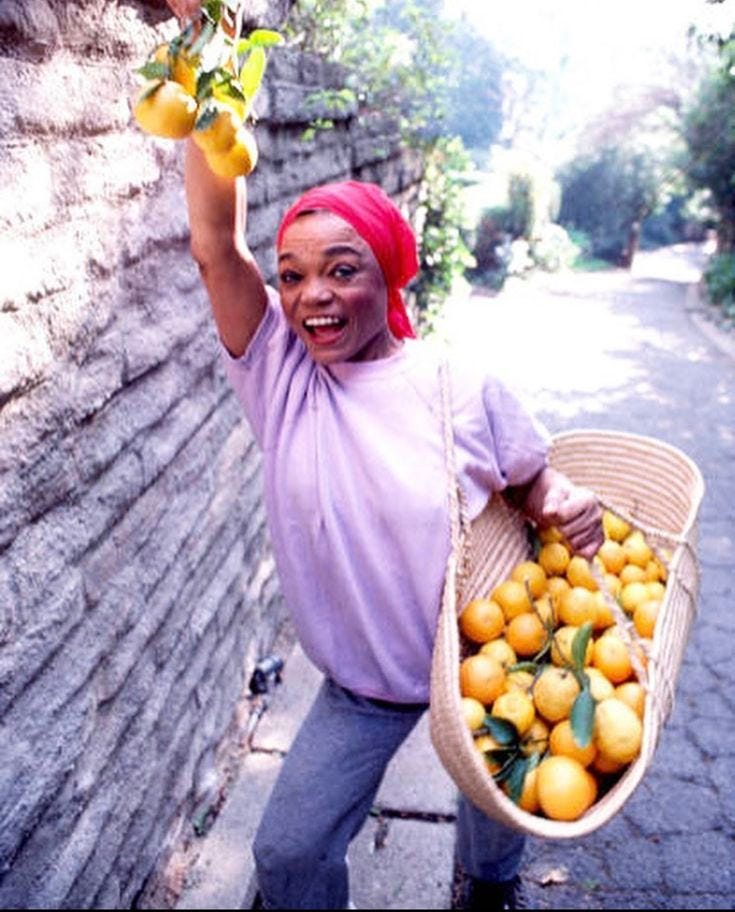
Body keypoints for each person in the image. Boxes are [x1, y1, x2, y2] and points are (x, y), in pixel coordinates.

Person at [165, 5, 603, 909]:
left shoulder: (458, 384)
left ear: (390, 275)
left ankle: (491, 887)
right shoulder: (283, 383)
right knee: (286, 857)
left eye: (341, 268)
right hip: (360, 684)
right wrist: (207, 52)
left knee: (501, 805)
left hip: (483, 661)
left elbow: (533, 478)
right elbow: (215, 247)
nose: (310, 295)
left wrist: (563, 496)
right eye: (291, 274)